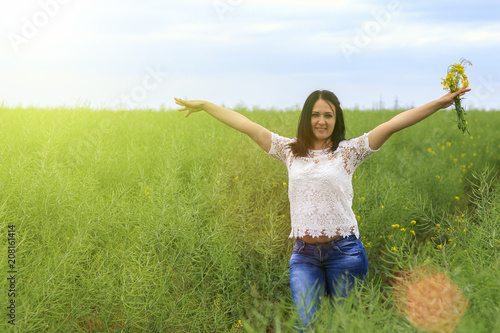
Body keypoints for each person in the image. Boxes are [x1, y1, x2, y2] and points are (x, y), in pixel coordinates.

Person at [174, 87, 471, 330]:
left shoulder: (349, 152)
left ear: (336, 119)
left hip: (345, 254)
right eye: (315, 114)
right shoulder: (289, 151)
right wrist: (205, 105)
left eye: (328, 115)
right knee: (307, 326)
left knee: (344, 326)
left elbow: (393, 124)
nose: (321, 120)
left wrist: (440, 103)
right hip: (303, 256)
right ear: (307, 118)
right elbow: (247, 126)